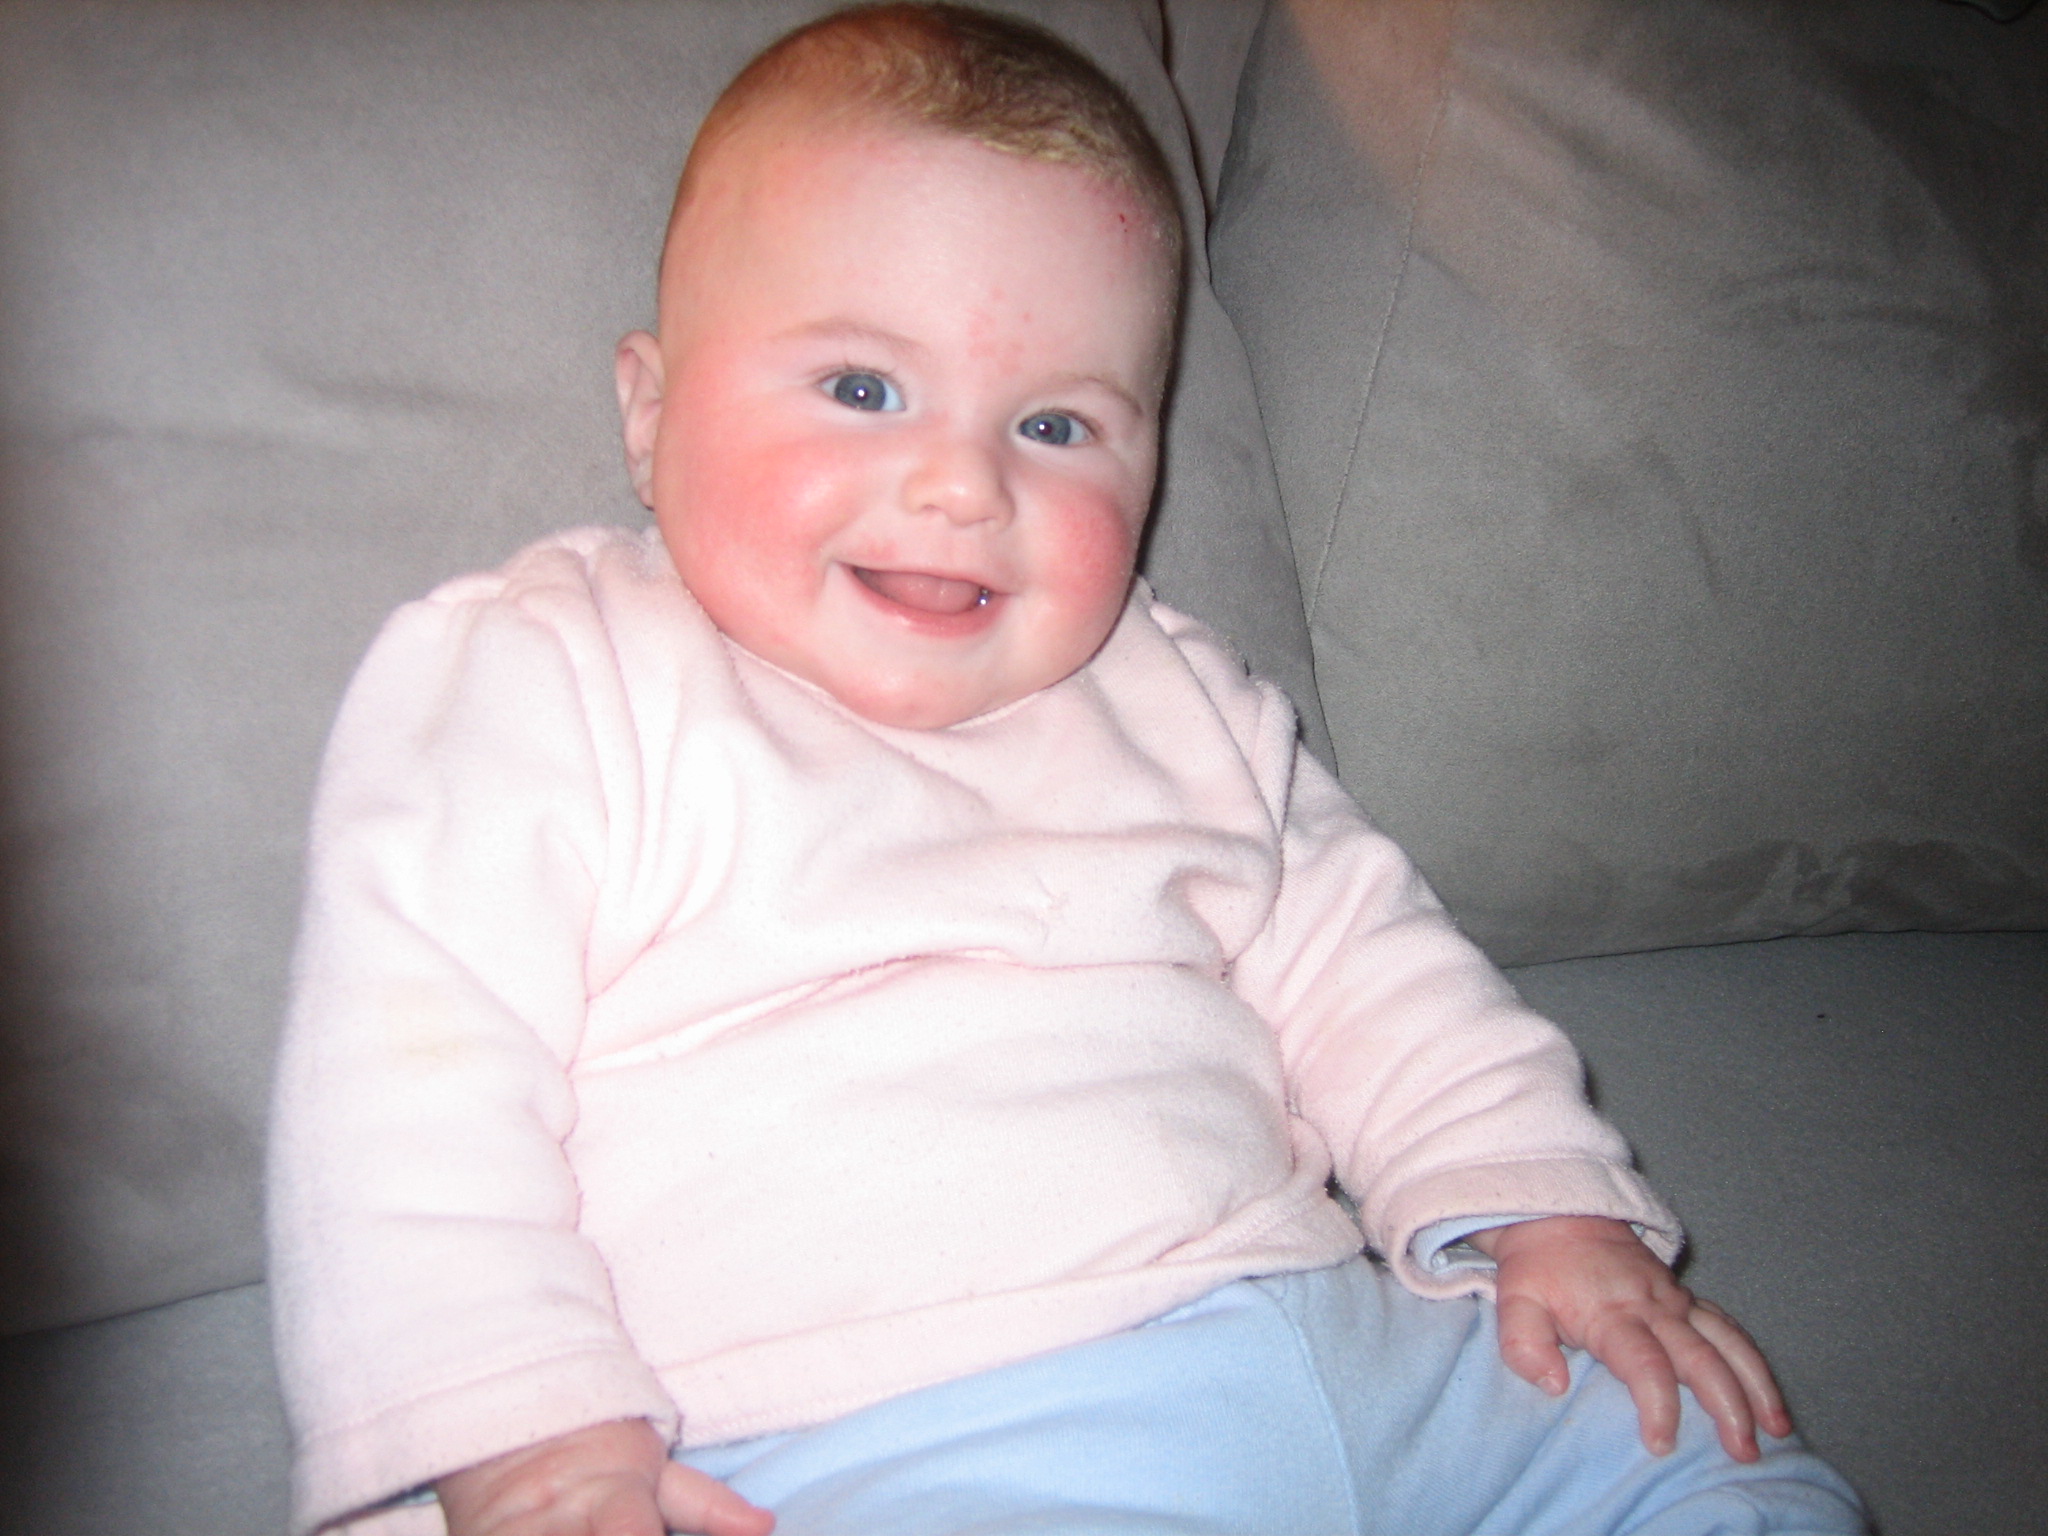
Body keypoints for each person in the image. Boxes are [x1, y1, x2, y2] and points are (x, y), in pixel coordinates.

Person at [266, 6, 1866, 1534]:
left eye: (1055, 427)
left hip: (1340, 1351)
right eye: (863, 389)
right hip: (899, 1422)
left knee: (1696, 1450)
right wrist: (524, 1433)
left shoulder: (1177, 691)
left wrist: (1542, 1207)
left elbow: (1369, 965)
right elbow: (409, 1084)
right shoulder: (551, 673)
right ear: (650, 408)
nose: (962, 485)